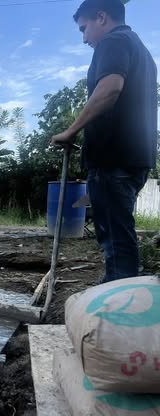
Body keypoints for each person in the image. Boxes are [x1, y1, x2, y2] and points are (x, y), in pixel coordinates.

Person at [51, 0, 157, 282]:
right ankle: (122, 286)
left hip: (113, 158)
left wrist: (71, 131)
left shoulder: (113, 41)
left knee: (114, 237)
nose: (84, 38)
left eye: (84, 29)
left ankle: (119, 297)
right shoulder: (142, 51)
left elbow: (109, 90)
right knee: (119, 230)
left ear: (101, 17)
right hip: (136, 157)